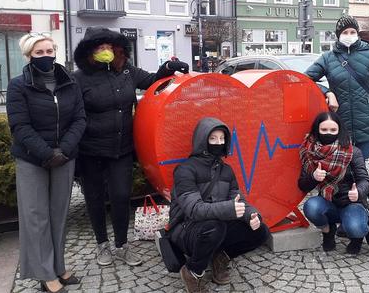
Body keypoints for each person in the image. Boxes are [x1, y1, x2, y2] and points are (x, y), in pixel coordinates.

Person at [73, 27, 189, 267]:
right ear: (89, 51)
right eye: (99, 47)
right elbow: (71, 114)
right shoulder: (79, 78)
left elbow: (151, 81)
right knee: (94, 199)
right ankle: (102, 245)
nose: (105, 51)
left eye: (108, 46)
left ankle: (122, 245)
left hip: (121, 149)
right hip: (90, 150)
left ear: (116, 49)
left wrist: (168, 68)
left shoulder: (126, 71)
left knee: (121, 196)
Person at [6, 33, 86, 293]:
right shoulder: (18, 85)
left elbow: (79, 119)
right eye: (39, 53)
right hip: (32, 159)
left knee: (59, 214)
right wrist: (46, 153)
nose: (46, 56)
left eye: (49, 51)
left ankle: (59, 266)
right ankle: (44, 273)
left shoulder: (70, 82)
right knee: (36, 216)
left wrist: (63, 150)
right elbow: (20, 125)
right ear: (29, 56)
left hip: (64, 156)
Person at [168, 118, 269, 293]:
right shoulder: (185, 170)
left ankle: (220, 257)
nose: (218, 143)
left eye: (222, 139)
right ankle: (193, 270)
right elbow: (194, 210)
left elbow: (239, 200)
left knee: (260, 232)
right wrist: (229, 209)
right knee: (215, 227)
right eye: (213, 138)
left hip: (216, 225)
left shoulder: (227, 170)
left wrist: (253, 216)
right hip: (185, 230)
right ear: (202, 140)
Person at [305, 14, 369, 160]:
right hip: (339, 126)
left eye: (352, 32)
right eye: (345, 32)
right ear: (338, 35)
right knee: (341, 173)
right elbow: (305, 80)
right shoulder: (328, 58)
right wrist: (327, 93)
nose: (349, 35)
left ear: (357, 34)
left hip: (367, 125)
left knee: (362, 171)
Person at [298, 111, 369, 254]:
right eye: (324, 130)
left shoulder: (352, 152)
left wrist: (358, 192)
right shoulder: (309, 152)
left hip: (351, 203)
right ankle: (328, 231)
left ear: (339, 130)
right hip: (328, 201)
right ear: (317, 130)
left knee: (356, 228)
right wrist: (313, 177)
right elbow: (302, 185)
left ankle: (357, 238)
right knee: (311, 206)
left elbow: (365, 180)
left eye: (333, 130)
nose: (328, 133)